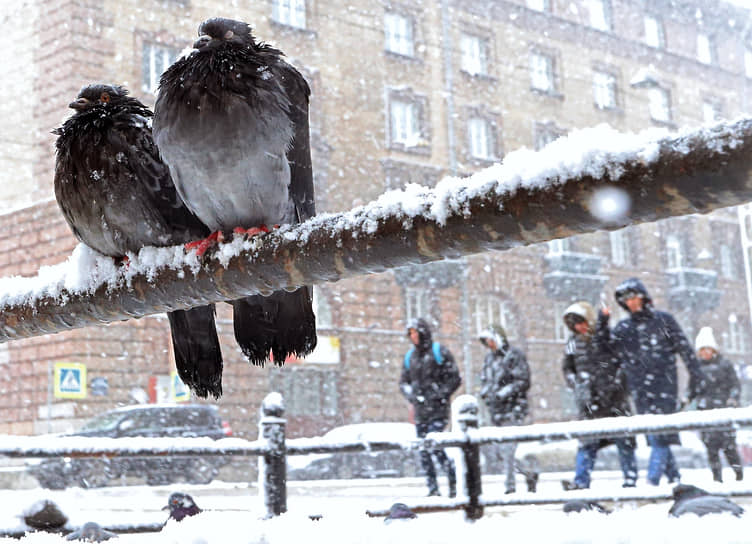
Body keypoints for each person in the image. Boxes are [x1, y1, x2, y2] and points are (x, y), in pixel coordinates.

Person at [611, 277, 706, 486]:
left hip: (664, 387)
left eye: (634, 297)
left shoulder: (663, 321)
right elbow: (608, 355)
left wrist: (695, 380)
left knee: (660, 436)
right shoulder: (624, 328)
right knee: (657, 436)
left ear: (643, 297)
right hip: (640, 390)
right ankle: (675, 481)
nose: (631, 303)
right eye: (626, 300)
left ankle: (652, 483)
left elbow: (686, 351)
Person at [559, 301, 637, 491]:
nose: (579, 327)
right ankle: (581, 482)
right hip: (589, 403)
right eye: (574, 324)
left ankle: (630, 480)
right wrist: (578, 384)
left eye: (581, 322)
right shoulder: (572, 344)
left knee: (624, 442)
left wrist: (616, 386)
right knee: (587, 444)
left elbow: (622, 364)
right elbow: (567, 368)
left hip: (614, 400)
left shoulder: (606, 337)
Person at [399, 318, 461, 497]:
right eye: (410, 334)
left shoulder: (438, 352)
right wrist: (412, 396)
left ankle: (452, 480)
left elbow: (454, 378)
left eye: (415, 333)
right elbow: (403, 382)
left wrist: (439, 395)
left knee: (436, 446)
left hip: (438, 410)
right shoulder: (410, 357)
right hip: (420, 412)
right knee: (424, 451)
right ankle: (433, 488)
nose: (413, 337)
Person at [478, 324, 535, 494]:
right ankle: (528, 472)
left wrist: (503, 393)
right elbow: (485, 380)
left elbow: (523, 380)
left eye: (491, 340)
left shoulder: (514, 356)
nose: (489, 344)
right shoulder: (489, 360)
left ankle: (510, 486)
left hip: (513, 408)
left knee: (508, 449)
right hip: (496, 411)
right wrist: (486, 392)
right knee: (501, 452)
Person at [693, 326, 743, 483]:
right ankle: (717, 479)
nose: (705, 353)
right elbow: (692, 388)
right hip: (706, 412)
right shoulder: (697, 368)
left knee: (729, 448)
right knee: (711, 450)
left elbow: (735, 384)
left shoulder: (725, 365)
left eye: (708, 349)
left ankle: (738, 475)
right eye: (702, 350)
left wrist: (733, 398)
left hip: (723, 410)